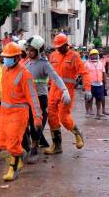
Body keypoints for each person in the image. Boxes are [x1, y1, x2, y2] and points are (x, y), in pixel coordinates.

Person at [0, 42, 43, 181]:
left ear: (17, 57)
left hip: (18, 114)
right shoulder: (5, 69)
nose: (6, 59)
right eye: (5, 57)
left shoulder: (25, 74)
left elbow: (33, 97)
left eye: (9, 57)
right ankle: (20, 154)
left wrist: (37, 117)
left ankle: (13, 168)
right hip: (4, 112)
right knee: (1, 143)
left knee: (12, 142)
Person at [24, 35, 70, 163]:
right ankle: (38, 142)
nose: (28, 52)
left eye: (32, 50)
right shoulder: (26, 63)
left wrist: (64, 90)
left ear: (38, 50)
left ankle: (34, 150)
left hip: (40, 98)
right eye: (28, 49)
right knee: (27, 124)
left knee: (36, 125)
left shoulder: (44, 64)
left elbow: (56, 78)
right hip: (27, 99)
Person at [45, 33, 90, 155]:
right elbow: (50, 73)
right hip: (53, 90)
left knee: (64, 117)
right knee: (51, 117)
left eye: (60, 46)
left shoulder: (74, 56)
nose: (58, 49)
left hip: (67, 91)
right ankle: (57, 146)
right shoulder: (53, 55)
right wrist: (47, 85)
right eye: (57, 47)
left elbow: (84, 73)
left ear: (66, 45)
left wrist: (88, 89)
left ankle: (77, 133)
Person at [84, 49, 106, 119]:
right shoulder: (86, 64)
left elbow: (103, 73)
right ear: (90, 56)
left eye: (95, 54)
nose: (94, 56)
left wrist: (105, 83)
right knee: (88, 99)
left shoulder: (100, 63)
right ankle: (87, 112)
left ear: (97, 55)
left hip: (99, 84)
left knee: (98, 99)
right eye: (92, 55)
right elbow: (84, 74)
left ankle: (98, 113)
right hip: (90, 84)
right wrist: (85, 84)